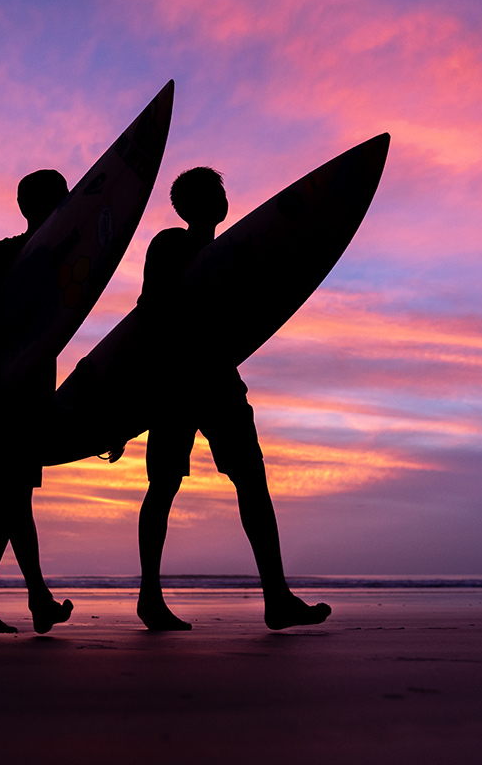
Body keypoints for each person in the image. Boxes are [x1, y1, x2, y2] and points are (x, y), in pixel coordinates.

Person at [134, 167, 332, 631]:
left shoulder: (238, 250)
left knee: (249, 481)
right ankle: (150, 598)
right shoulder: (170, 245)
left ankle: (277, 598)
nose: (219, 200)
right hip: (178, 382)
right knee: (165, 487)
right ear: (191, 206)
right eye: (211, 194)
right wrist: (138, 392)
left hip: (219, 380)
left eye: (219, 193)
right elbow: (150, 312)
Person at [0, 169, 74, 634]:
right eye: (60, 199)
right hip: (13, 393)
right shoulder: (7, 256)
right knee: (11, 496)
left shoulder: (60, 253)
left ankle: (38, 600)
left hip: (31, 390)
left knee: (14, 498)